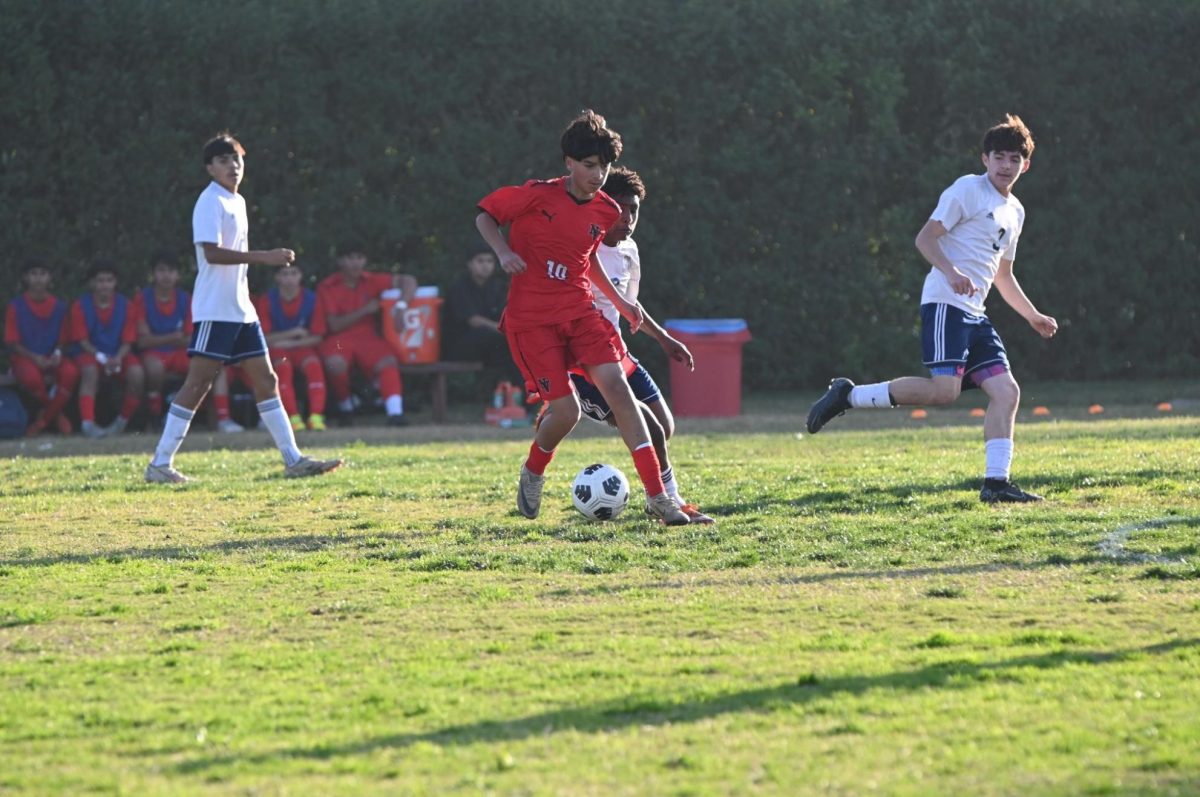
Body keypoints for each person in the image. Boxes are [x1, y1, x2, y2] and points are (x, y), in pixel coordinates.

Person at [806, 114, 1058, 503]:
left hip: (976, 313)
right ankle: (848, 395)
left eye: (1014, 159)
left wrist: (1033, 315)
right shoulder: (967, 190)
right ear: (985, 159)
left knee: (1007, 392)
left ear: (1026, 164)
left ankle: (996, 484)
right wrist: (952, 272)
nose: (1006, 166)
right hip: (946, 304)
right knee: (944, 393)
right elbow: (925, 239)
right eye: (999, 157)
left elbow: (1003, 276)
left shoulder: (1016, 211)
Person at [475, 109, 689, 525]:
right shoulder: (536, 195)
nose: (598, 174)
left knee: (620, 393)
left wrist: (624, 305)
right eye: (590, 166)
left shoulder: (606, 210)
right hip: (532, 321)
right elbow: (484, 215)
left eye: (604, 166)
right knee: (567, 413)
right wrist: (502, 252)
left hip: (579, 313)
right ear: (569, 163)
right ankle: (533, 469)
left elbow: (585, 263)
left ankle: (659, 497)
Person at [144, 132, 342, 483]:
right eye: (223, 160)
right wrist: (264, 257)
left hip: (241, 311)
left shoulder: (238, 200)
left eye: (237, 159)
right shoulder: (210, 202)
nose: (233, 166)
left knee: (267, 379)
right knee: (198, 383)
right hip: (215, 310)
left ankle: (293, 459)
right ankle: (160, 464)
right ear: (209, 168)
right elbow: (212, 253)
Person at [542, 166, 715, 523]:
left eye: (634, 209)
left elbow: (629, 307)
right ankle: (669, 501)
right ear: (603, 205)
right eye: (621, 208)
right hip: (584, 364)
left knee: (664, 426)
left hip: (618, 352)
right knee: (649, 425)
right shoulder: (579, 249)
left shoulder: (629, 250)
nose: (628, 217)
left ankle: (656, 487)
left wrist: (663, 338)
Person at [135, 250, 243, 433]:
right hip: (154, 355)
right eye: (161, 270)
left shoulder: (187, 299)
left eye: (171, 271)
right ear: (153, 274)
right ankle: (155, 418)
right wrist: (173, 337)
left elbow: (189, 338)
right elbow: (143, 342)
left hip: (180, 352)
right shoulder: (142, 299)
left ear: (178, 275)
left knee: (217, 367)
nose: (166, 276)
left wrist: (162, 339)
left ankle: (223, 419)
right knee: (154, 368)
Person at [316, 244, 417, 426]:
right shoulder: (327, 286)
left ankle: (395, 413)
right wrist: (365, 310)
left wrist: (401, 306)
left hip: (368, 336)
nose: (355, 263)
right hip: (338, 339)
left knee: (388, 361)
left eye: (359, 257)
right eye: (350, 257)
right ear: (340, 261)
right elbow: (335, 324)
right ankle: (346, 407)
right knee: (335, 363)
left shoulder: (371, 280)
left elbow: (409, 281)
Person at [70, 260, 145, 438]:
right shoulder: (79, 306)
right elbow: (81, 340)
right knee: (89, 372)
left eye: (109, 280)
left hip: (119, 353)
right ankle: (88, 425)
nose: (104, 285)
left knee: (137, 373)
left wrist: (118, 358)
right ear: (92, 283)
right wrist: (101, 357)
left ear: (115, 283)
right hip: (89, 353)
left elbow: (128, 340)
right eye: (100, 280)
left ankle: (121, 423)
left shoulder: (127, 306)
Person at [3, 259, 79, 435]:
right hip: (25, 357)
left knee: (71, 372)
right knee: (30, 377)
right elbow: (12, 342)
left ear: (50, 278)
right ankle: (56, 415)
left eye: (42, 274)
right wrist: (34, 358)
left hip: (52, 357)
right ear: (25, 278)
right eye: (33, 274)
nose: (38, 279)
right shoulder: (15, 306)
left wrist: (57, 353)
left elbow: (63, 339)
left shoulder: (60, 307)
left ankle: (43, 420)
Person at [255, 261, 329, 431]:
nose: (289, 278)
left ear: (301, 276)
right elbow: (263, 337)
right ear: (277, 277)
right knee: (283, 368)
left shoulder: (311, 298)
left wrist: (287, 341)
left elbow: (318, 336)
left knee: (314, 365)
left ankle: (316, 417)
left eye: (294, 273)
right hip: (278, 349)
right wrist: (293, 333)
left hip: (303, 346)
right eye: (285, 274)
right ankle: (293, 418)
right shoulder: (267, 300)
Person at [443, 244, 519, 382]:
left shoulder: (496, 287)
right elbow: (474, 321)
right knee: (491, 336)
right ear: (470, 264)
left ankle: (521, 395)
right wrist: (504, 330)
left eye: (489, 261)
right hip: (459, 346)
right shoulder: (459, 288)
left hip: (489, 343)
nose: (485, 265)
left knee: (516, 344)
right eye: (480, 261)